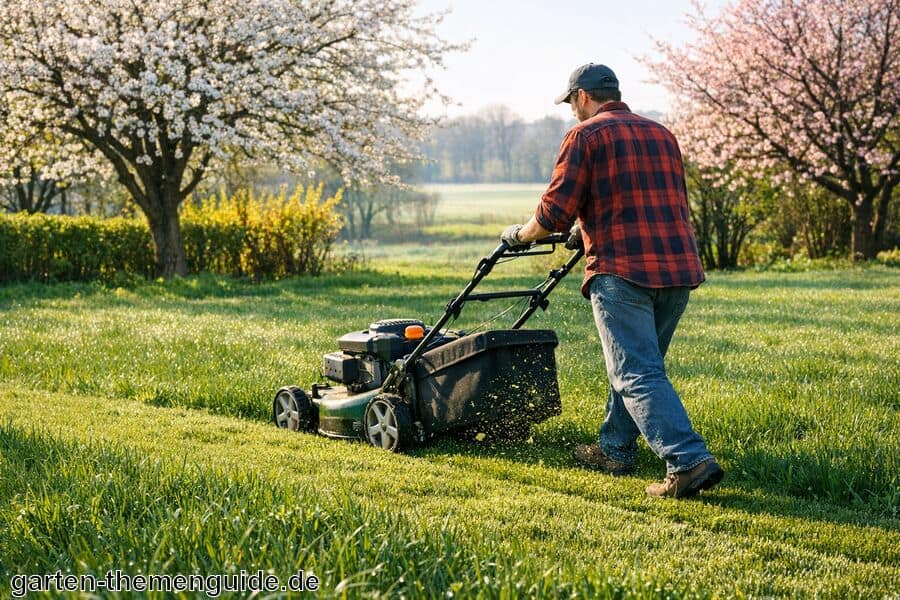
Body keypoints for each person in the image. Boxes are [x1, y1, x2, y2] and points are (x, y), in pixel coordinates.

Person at [501, 63, 723, 499]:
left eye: (571, 104)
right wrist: (582, 232)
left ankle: (687, 460)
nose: (572, 112)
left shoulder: (585, 136)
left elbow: (553, 212)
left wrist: (518, 236)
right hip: (677, 271)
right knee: (640, 365)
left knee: (635, 371)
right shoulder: (662, 134)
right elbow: (638, 200)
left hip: (623, 270)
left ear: (582, 96)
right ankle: (615, 450)